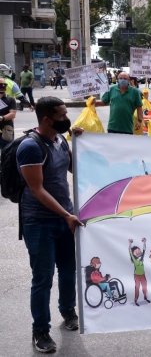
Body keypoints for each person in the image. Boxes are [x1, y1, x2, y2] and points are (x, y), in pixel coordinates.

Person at [17, 97, 84, 353]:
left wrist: (80, 144)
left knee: (68, 270)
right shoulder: (30, 147)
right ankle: (41, 331)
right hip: (40, 222)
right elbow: (37, 190)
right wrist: (66, 215)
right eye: (63, 115)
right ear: (47, 119)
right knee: (43, 278)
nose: (67, 118)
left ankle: (68, 310)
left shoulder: (60, 139)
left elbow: (73, 168)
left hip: (64, 217)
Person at [128, 238, 150, 306]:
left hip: (142, 274)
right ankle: (135, 299)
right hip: (137, 275)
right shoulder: (135, 260)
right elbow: (130, 251)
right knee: (137, 287)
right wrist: (130, 243)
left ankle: (145, 297)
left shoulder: (141, 258)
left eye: (138, 250)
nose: (137, 252)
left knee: (144, 286)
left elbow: (144, 249)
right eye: (136, 251)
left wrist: (144, 242)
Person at [0, 77, 17, 149]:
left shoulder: (10, 99)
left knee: (7, 154)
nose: (3, 86)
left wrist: (1, 118)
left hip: (6, 131)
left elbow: (13, 114)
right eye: (1, 84)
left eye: (5, 85)